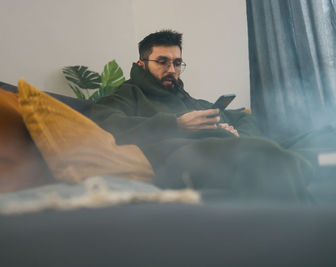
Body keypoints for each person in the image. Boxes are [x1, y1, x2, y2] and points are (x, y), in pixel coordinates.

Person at [88, 29, 318, 204]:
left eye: (177, 63)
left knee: (321, 138)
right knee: (263, 154)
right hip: (177, 159)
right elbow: (103, 121)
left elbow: (241, 118)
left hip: (221, 149)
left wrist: (238, 134)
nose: (171, 69)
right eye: (162, 61)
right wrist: (177, 125)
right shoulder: (129, 93)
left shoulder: (188, 98)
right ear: (142, 63)